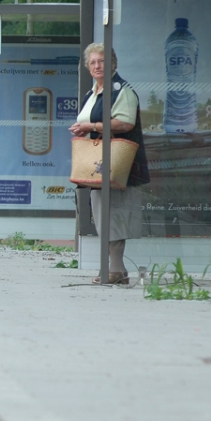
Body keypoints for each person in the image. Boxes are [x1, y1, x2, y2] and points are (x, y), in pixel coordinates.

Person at [69, 43, 150, 284]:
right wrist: (82, 129)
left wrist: (90, 127)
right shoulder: (91, 93)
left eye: (102, 61)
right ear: (87, 67)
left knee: (114, 212)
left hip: (118, 163)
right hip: (98, 163)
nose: (97, 66)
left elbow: (125, 124)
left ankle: (115, 269)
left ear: (113, 64)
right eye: (93, 62)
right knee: (102, 212)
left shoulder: (121, 90)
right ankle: (116, 270)